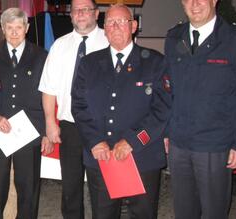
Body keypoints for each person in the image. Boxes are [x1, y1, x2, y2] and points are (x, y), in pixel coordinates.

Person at [72, 4, 170, 219]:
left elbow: (162, 109)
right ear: (104, 28)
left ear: (133, 26)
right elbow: (78, 106)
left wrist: (133, 141)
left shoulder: (155, 62)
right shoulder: (88, 63)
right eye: (110, 23)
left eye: (121, 22)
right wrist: (94, 141)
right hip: (101, 156)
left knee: (143, 214)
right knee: (103, 214)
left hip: (142, 156)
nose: (115, 27)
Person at [164, 0, 236, 218]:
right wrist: (167, 130)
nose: (194, 4)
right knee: (184, 212)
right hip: (179, 145)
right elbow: (169, 89)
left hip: (215, 146)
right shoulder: (173, 38)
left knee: (213, 213)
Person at [38, 0, 108, 218]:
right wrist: (50, 123)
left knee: (103, 186)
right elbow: (48, 88)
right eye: (76, 10)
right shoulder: (59, 45)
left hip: (102, 127)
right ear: (71, 15)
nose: (81, 14)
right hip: (70, 126)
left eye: (86, 9)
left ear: (96, 13)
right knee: (70, 187)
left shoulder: (110, 39)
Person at [0, 7, 51, 219]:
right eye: (9, 28)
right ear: (2, 29)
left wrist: (46, 131)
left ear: (27, 28)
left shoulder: (41, 55)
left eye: (18, 27)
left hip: (29, 131)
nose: (14, 32)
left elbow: (48, 94)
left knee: (28, 188)